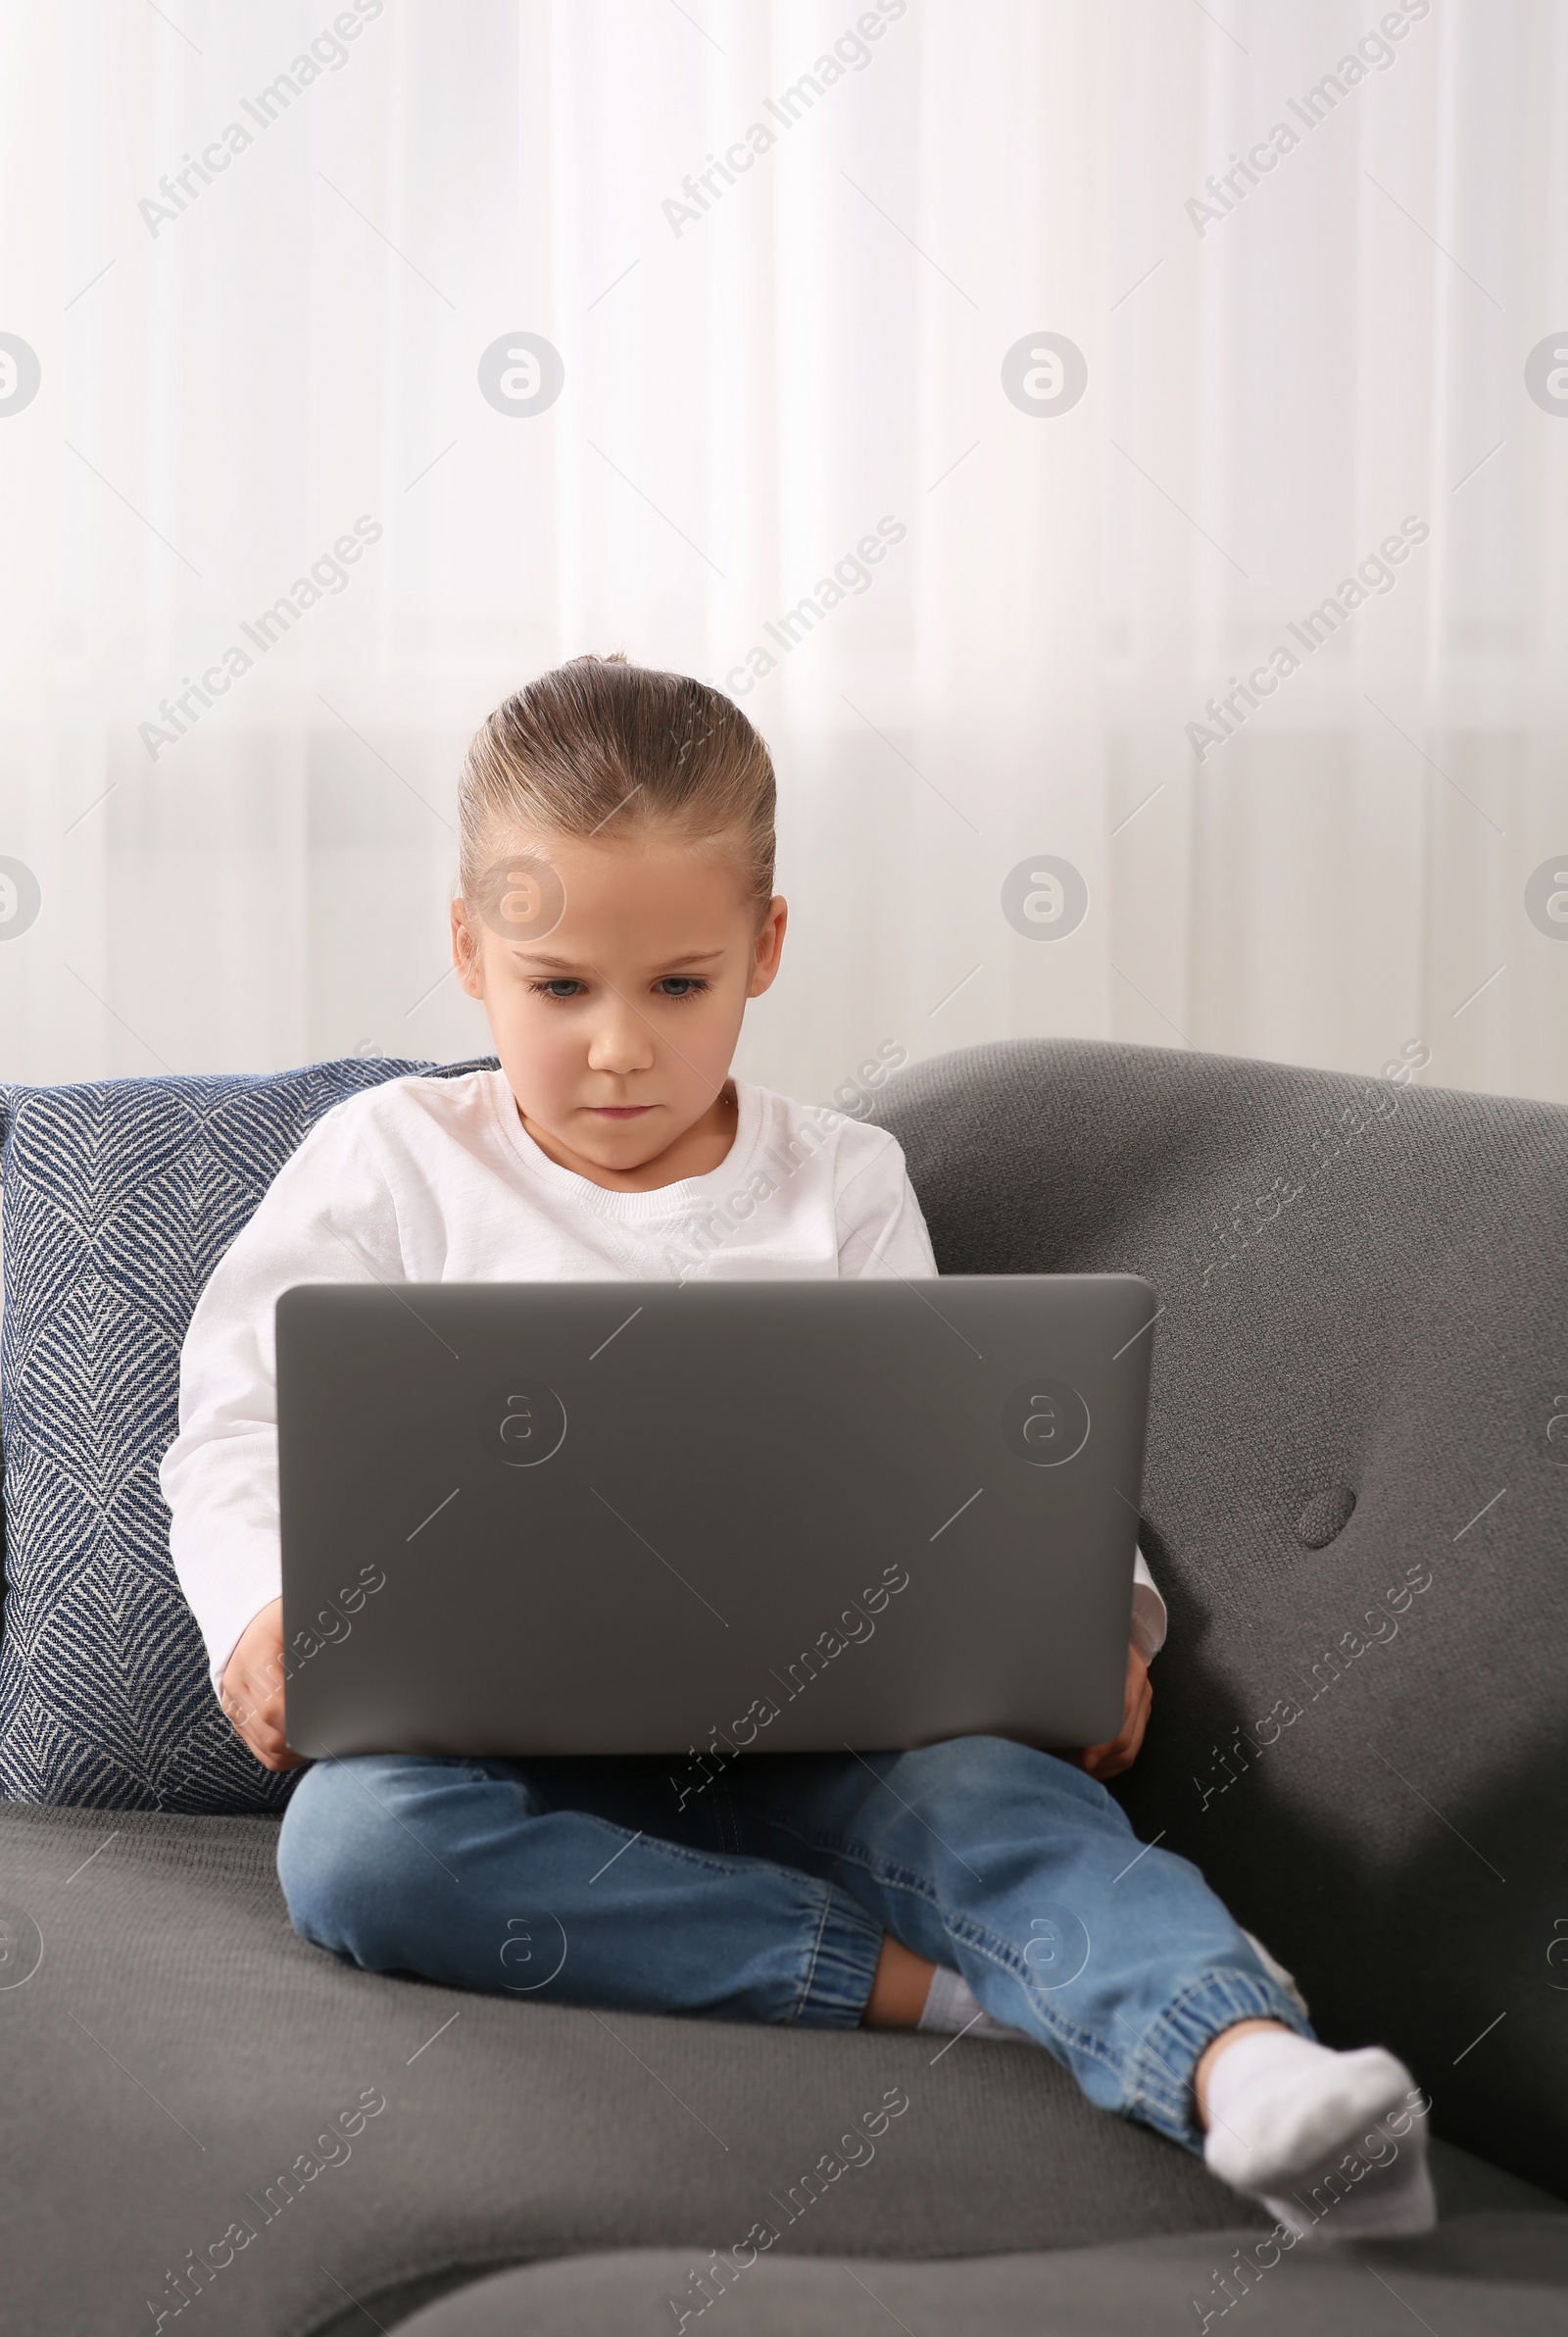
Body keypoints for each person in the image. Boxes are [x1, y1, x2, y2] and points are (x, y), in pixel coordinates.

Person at [161, 655, 1435, 2242]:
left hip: (833, 1730)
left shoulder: (843, 1179)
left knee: (1001, 1806)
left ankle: (1248, 2069)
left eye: (677, 985)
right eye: (560, 987)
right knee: (359, 1854)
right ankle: (928, 1989)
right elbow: (236, 1426)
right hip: (498, 1749)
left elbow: (980, 1448)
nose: (618, 1049)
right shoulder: (388, 1161)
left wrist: (1094, 1623)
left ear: (764, 948)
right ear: (468, 951)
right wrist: (261, 1614)